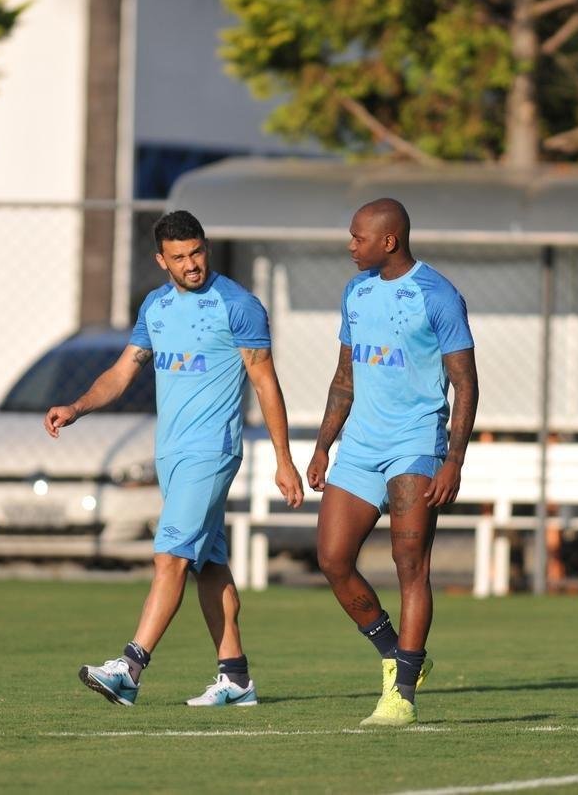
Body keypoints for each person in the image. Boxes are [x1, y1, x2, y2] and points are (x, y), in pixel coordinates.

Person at [45, 209, 304, 707]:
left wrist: (283, 459)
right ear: (160, 260)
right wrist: (77, 407)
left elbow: (265, 382)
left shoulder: (239, 305)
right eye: (180, 257)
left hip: (212, 451)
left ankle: (129, 667)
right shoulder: (155, 308)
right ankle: (236, 680)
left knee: (171, 557)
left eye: (198, 252)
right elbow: (122, 373)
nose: (192, 264)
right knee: (209, 565)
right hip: (171, 454)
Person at [307, 197, 478, 727]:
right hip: (360, 446)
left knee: (411, 567)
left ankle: (401, 692)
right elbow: (345, 377)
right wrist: (322, 444)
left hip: (415, 444)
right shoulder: (355, 291)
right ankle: (394, 650)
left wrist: (453, 460)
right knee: (333, 558)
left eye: (358, 237)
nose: (350, 245)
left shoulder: (439, 295)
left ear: (388, 241)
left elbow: (466, 384)